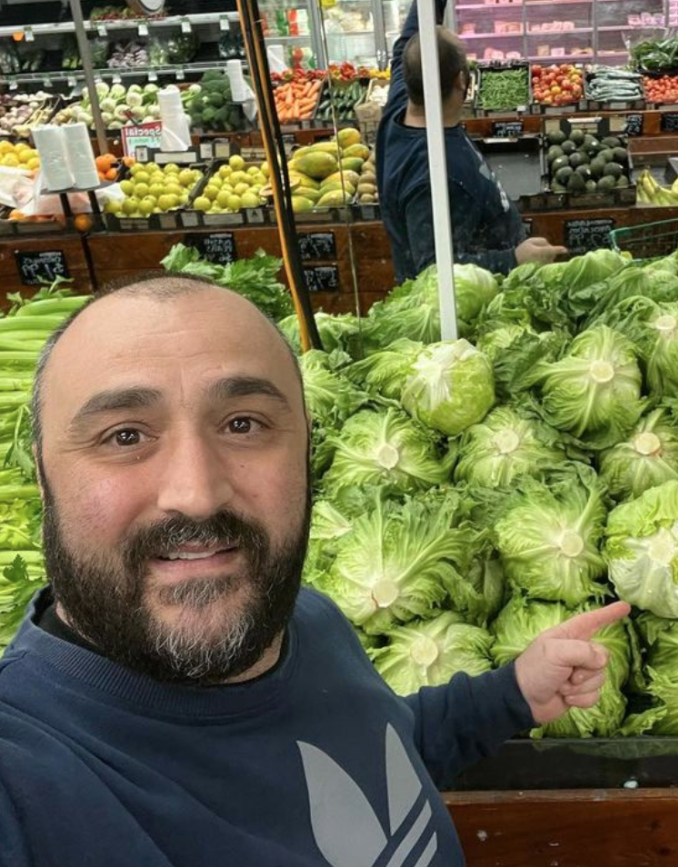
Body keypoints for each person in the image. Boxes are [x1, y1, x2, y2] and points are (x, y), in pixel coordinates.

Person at [0, 275, 628, 867]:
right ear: (42, 472)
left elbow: (380, 748)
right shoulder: (31, 776)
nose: (196, 492)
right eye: (125, 436)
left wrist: (509, 695)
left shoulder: (306, 619)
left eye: (243, 424)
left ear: (307, 451)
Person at [376, 0, 566, 282]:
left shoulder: (403, 101)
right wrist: (513, 259)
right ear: (462, 81)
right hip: (472, 309)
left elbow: (412, 34)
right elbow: (432, 271)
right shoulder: (434, 174)